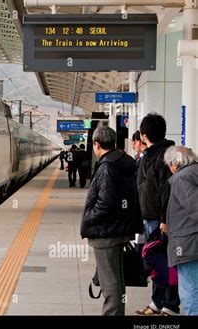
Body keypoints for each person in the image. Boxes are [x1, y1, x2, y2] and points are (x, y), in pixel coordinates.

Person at [80, 127, 142, 316]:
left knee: (110, 284)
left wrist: (88, 219)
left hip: (106, 232)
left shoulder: (107, 167)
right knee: (116, 281)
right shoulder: (122, 161)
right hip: (118, 230)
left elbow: (105, 203)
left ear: (96, 145)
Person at [135, 112, 180, 316]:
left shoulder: (165, 156)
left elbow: (166, 190)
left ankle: (170, 305)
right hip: (149, 218)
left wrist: (164, 220)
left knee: (165, 262)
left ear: (144, 135)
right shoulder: (150, 155)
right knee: (155, 262)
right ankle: (157, 302)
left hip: (159, 220)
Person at [163, 146, 198, 315]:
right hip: (191, 239)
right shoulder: (194, 172)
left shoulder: (181, 178)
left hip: (188, 242)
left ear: (175, 164)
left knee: (190, 288)